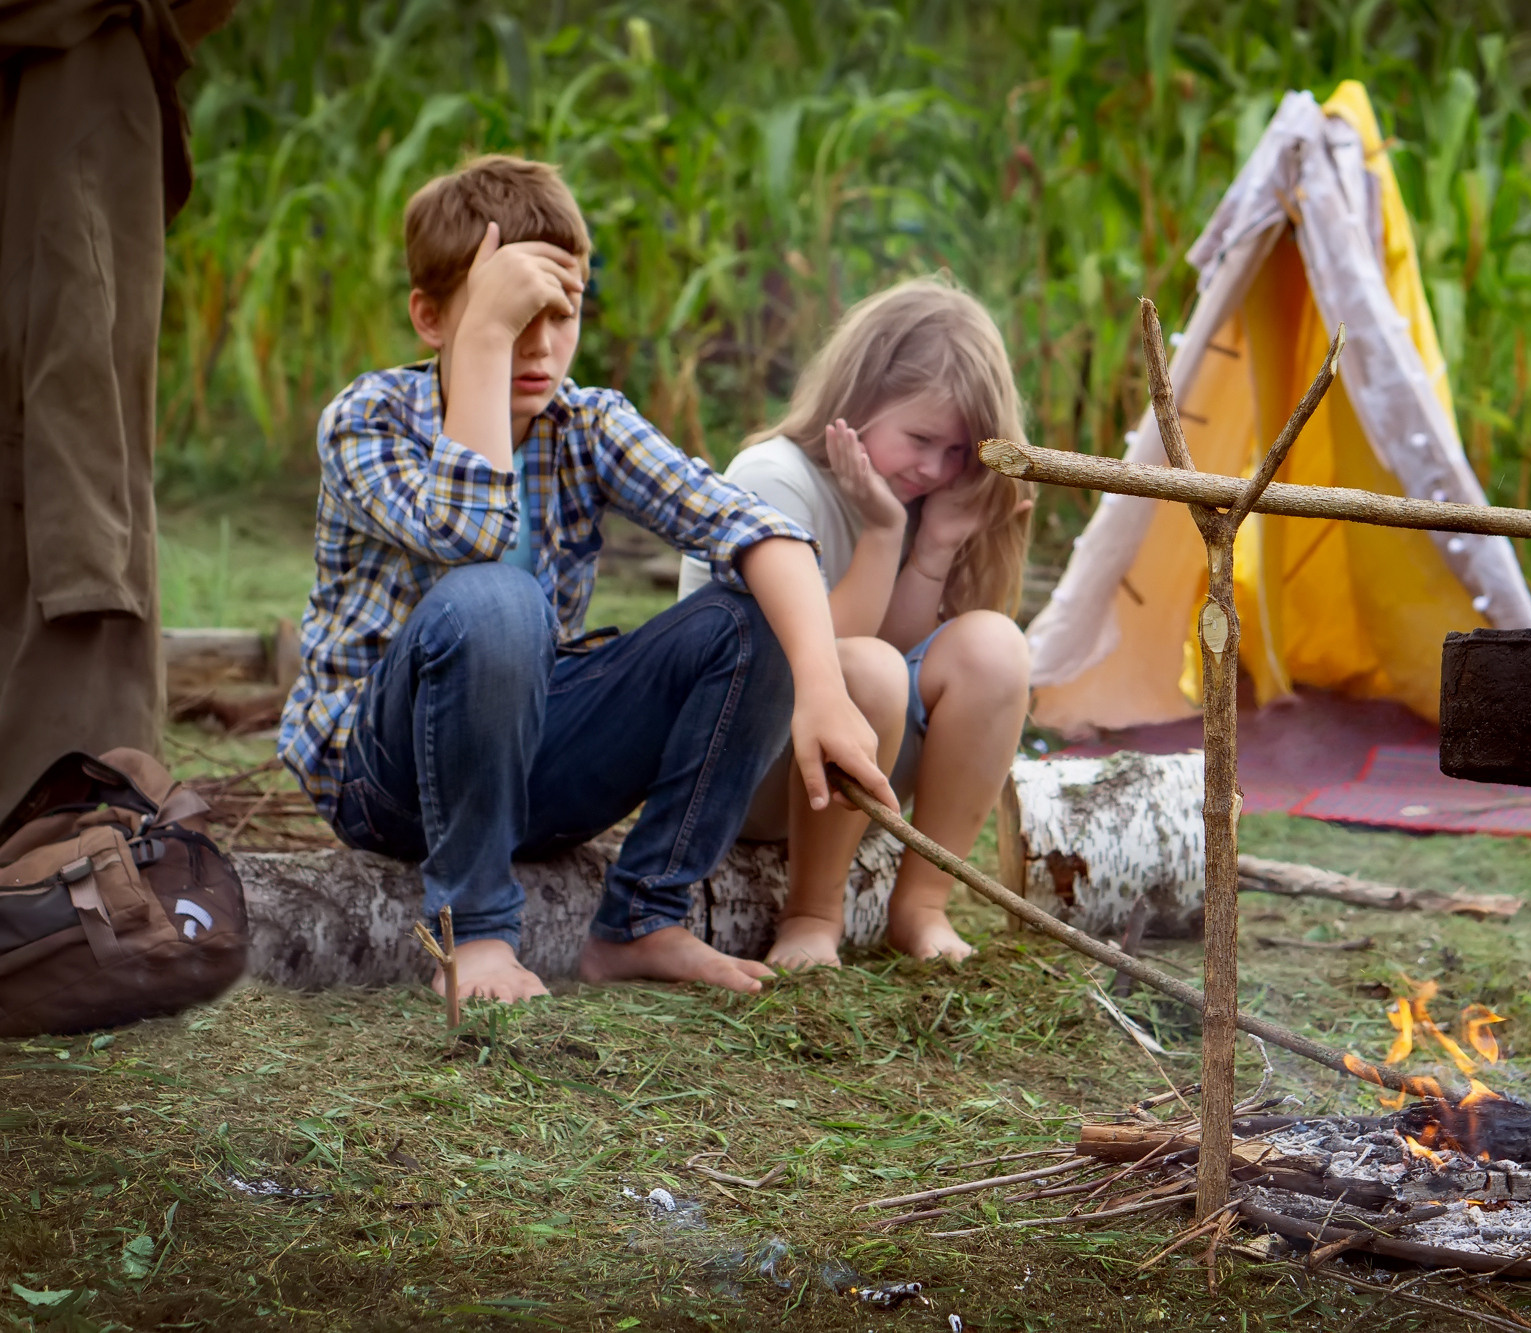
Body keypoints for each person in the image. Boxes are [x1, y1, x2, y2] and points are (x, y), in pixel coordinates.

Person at [276, 155, 895, 1003]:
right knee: (499, 598)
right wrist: (484, 344)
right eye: (511, 316)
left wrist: (821, 688)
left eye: (558, 314)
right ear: (430, 315)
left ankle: (644, 917)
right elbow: (471, 538)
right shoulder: (369, 417)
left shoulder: (588, 420)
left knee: (761, 609)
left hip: (529, 764)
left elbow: (761, 528)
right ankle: (479, 934)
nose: (539, 346)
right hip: (381, 782)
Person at [679, 278, 1034, 969]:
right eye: (923, 438)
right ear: (859, 396)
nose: (936, 468)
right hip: (736, 761)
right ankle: (813, 913)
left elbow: (896, 657)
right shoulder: (775, 478)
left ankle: (921, 903)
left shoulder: (911, 490)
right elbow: (805, 657)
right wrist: (881, 531)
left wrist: (933, 547)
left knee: (995, 648)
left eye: (959, 452)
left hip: (833, 766)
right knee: (862, 669)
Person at [0, 0, 237, 816]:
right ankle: (68, 804)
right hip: (73, 84)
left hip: (88, 88)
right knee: (68, 435)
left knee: (75, 438)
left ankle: (76, 794)